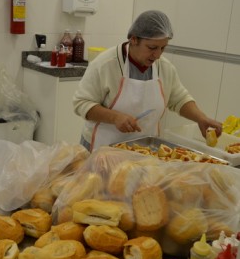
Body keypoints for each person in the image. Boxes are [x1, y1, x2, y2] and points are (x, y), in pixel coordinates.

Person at [73, 10, 222, 152]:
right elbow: (82, 103)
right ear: (133, 39)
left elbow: (180, 99)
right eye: (152, 47)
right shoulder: (105, 65)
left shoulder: (164, 68)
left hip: (143, 150)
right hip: (102, 148)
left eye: (162, 48)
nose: (157, 55)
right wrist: (115, 117)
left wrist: (201, 119)